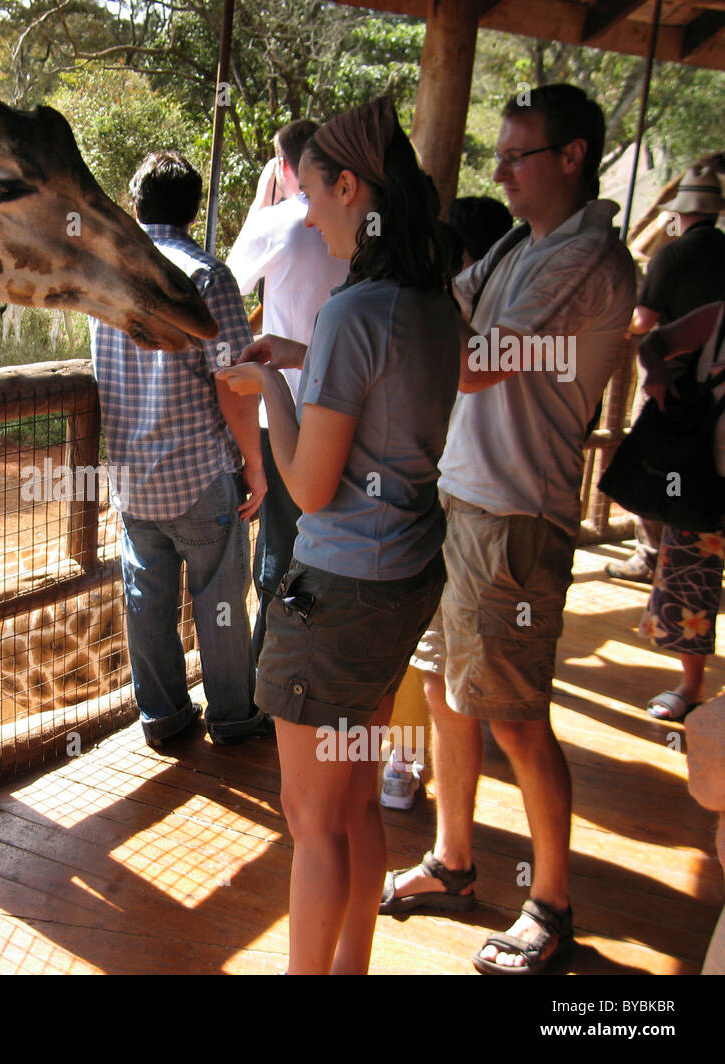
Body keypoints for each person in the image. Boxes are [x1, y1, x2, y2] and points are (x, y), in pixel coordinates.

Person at [382, 84, 637, 975]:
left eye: (517, 154)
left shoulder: (591, 259)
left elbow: (480, 363)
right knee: (451, 695)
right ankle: (454, 861)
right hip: (467, 504)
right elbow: (436, 315)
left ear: (571, 158)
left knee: (520, 718)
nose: (500, 171)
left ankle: (553, 903)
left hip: (518, 519)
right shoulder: (519, 252)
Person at [218, 96, 461, 974]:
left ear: (352, 187)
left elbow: (311, 489)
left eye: (312, 193)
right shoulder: (432, 302)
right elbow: (385, 409)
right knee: (356, 803)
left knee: (312, 822)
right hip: (402, 583)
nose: (305, 211)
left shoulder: (357, 313)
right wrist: (298, 356)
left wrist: (269, 392)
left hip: (339, 594)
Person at [89, 149, 271, 748]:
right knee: (220, 602)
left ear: (134, 202)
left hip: (134, 481)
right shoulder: (207, 278)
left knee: (147, 602)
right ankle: (233, 719)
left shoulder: (105, 278)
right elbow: (235, 385)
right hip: (198, 475)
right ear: (193, 209)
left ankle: (164, 718)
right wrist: (255, 464)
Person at [381, 193, 514, 812]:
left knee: (423, 648)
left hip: (443, 495)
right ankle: (408, 763)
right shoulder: (482, 313)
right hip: (459, 493)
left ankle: (402, 764)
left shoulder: (444, 318)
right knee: (436, 651)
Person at [227, 120, 348, 665]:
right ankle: (315, 659)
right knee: (328, 543)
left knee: (279, 550)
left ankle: (265, 673)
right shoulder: (359, 225)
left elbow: (225, 284)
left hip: (287, 416)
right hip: (348, 412)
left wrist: (261, 203)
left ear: (284, 167)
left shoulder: (279, 222)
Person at [607, 165, 725, 585]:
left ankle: (654, 553)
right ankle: (698, 549)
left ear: (681, 213)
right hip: (717, 389)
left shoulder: (674, 255)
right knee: (703, 467)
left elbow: (643, 321)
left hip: (672, 377)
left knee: (655, 462)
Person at [636, 299, 725, 720]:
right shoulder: (719, 315)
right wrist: (656, 374)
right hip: (707, 472)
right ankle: (692, 685)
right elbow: (655, 342)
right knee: (689, 577)